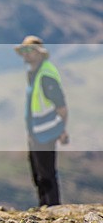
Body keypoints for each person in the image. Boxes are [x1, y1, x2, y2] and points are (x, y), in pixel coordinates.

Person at [15, 35, 69, 206]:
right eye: (24, 50)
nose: (26, 54)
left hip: (46, 131)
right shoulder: (34, 73)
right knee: (38, 172)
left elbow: (61, 105)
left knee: (46, 173)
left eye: (30, 50)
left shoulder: (46, 75)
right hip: (36, 131)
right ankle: (44, 206)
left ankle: (52, 207)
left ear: (39, 53)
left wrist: (61, 129)